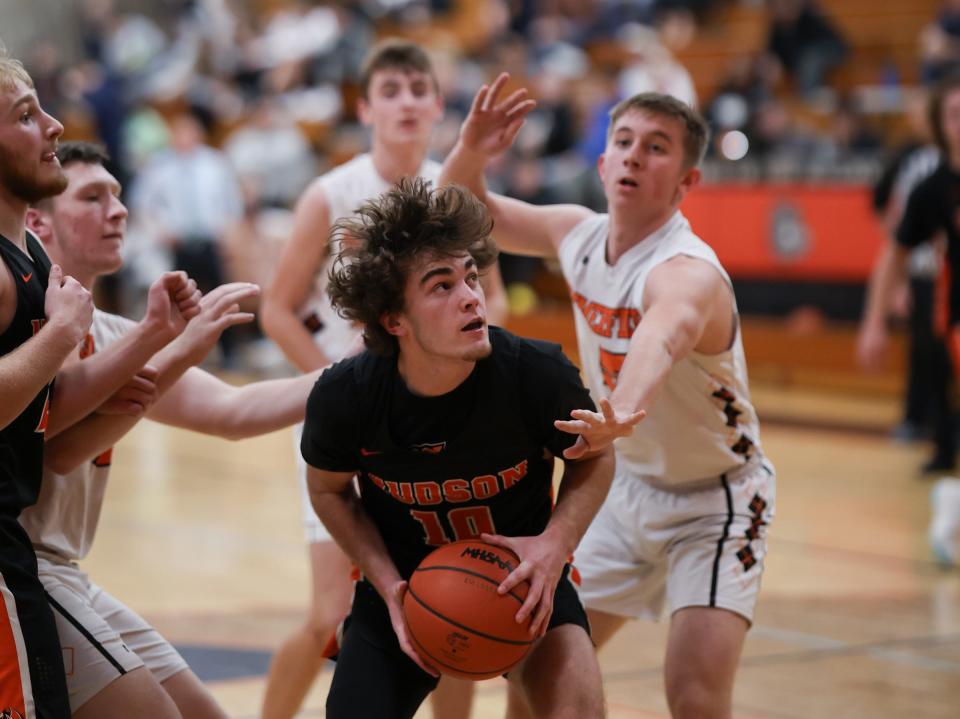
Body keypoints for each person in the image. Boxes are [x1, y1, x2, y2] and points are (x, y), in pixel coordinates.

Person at [441, 76, 776, 719]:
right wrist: (471, 149)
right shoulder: (577, 235)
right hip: (624, 491)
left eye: (656, 147)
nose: (632, 155)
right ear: (601, 162)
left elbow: (662, 333)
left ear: (686, 183)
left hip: (718, 498)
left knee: (695, 697)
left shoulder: (688, 270)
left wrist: (619, 410)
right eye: (623, 141)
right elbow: (459, 210)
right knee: (531, 665)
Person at [14, 140, 333, 718]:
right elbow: (54, 449)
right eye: (93, 197)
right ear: (38, 221)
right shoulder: (30, 324)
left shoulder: (108, 330)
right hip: (22, 570)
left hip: (65, 572)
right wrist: (180, 345)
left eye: (117, 193)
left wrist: (363, 369)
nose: (119, 209)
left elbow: (233, 412)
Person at [302, 176, 625, 719]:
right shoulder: (346, 396)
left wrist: (555, 544)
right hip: (404, 587)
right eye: (441, 285)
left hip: (526, 582)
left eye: (471, 277)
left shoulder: (535, 372)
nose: (471, 296)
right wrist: (388, 586)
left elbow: (594, 456)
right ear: (394, 320)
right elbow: (328, 492)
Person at [259, 39, 507, 719]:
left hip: (437, 425)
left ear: (437, 103)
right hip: (347, 426)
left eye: (416, 88)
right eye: (389, 89)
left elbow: (498, 302)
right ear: (365, 106)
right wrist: (335, 387)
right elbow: (276, 308)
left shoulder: (455, 194)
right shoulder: (330, 194)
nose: (404, 101)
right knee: (330, 615)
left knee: (455, 606)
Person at [859, 72, 960, 566]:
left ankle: (952, 503)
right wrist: (875, 321)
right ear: (941, 125)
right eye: (955, 115)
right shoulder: (933, 187)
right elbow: (893, 255)